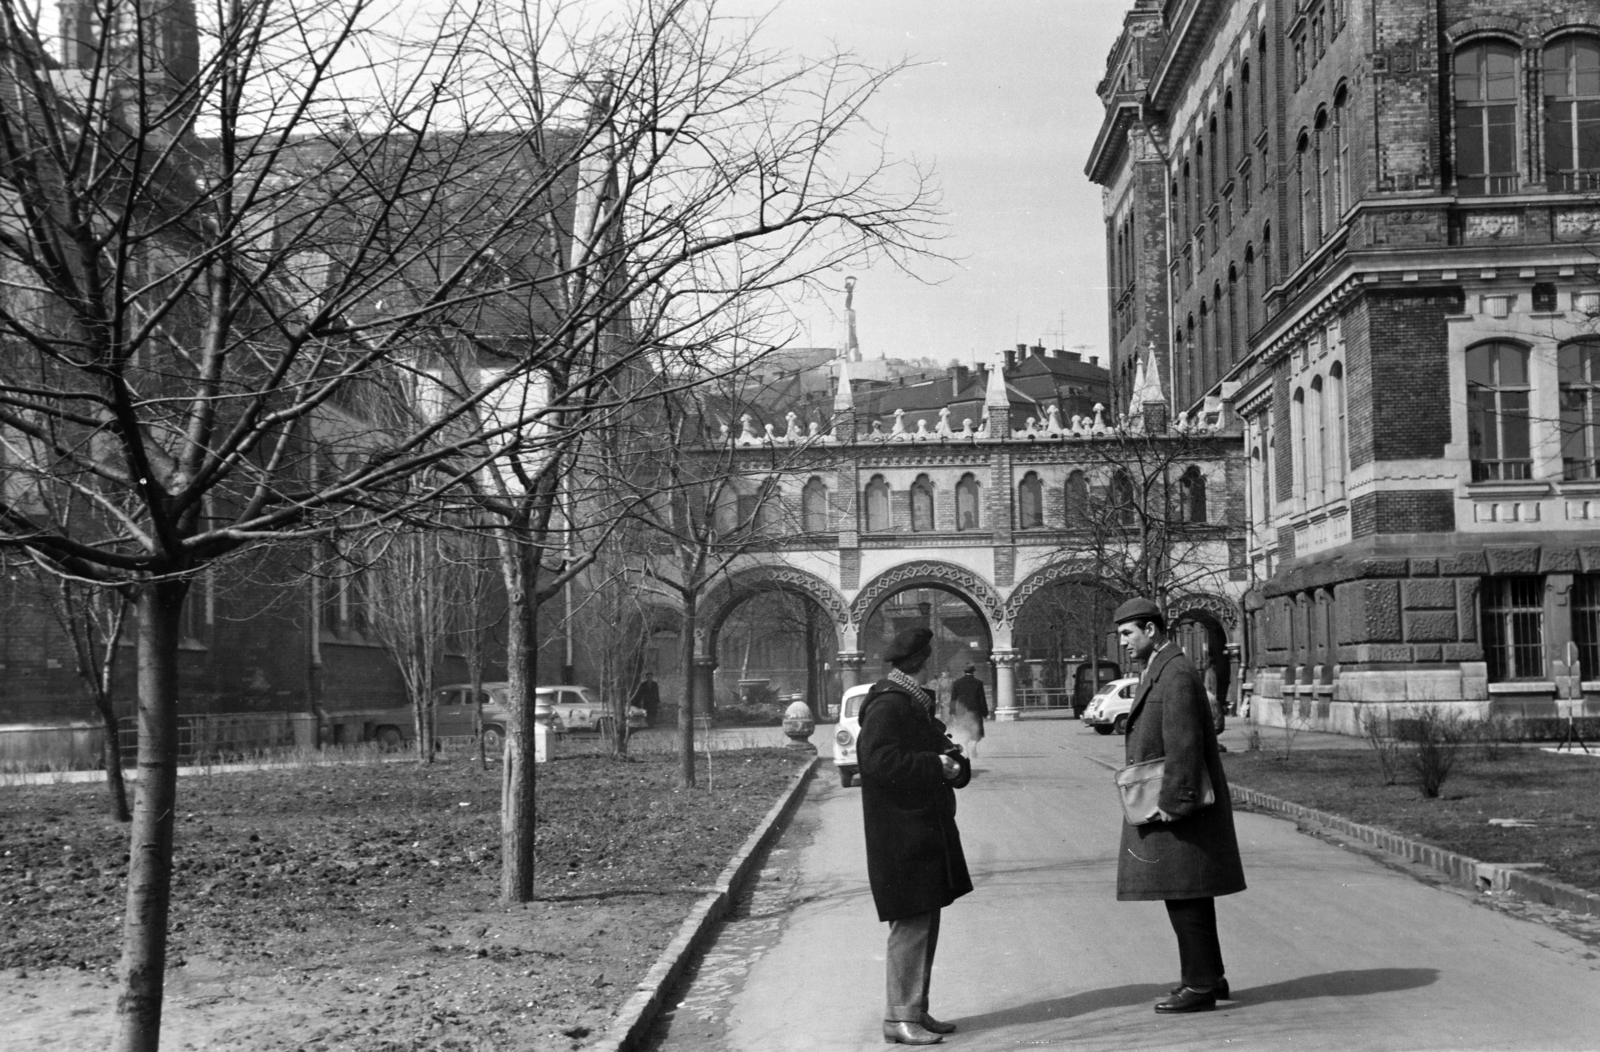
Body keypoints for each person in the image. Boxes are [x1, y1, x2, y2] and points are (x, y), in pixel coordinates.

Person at [1111, 598, 1246, 1014]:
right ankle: (1211, 975)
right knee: (1189, 892)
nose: (1124, 643)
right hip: (1174, 800)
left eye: (1128, 633)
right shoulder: (1163, 668)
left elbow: (1184, 743)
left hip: (1179, 805)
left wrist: (1175, 802)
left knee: (1185, 893)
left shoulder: (1176, 673)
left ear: (1151, 630)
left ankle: (1200, 985)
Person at [857, 627, 973, 1045]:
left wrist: (955, 766)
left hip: (920, 831)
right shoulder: (890, 705)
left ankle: (915, 1010)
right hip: (900, 834)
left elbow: (943, 749)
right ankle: (898, 1018)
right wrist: (934, 765)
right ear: (920, 661)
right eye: (928, 660)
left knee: (925, 918)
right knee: (910, 924)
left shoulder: (913, 703)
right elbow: (877, 761)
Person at [948, 665, 987, 759]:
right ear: (973, 672)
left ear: (964, 672)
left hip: (961, 711)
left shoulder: (957, 683)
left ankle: (965, 749)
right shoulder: (978, 683)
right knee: (976, 731)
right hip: (975, 710)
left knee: (963, 731)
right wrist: (985, 712)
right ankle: (973, 746)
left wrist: (952, 712)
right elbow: (982, 699)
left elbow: (953, 698)